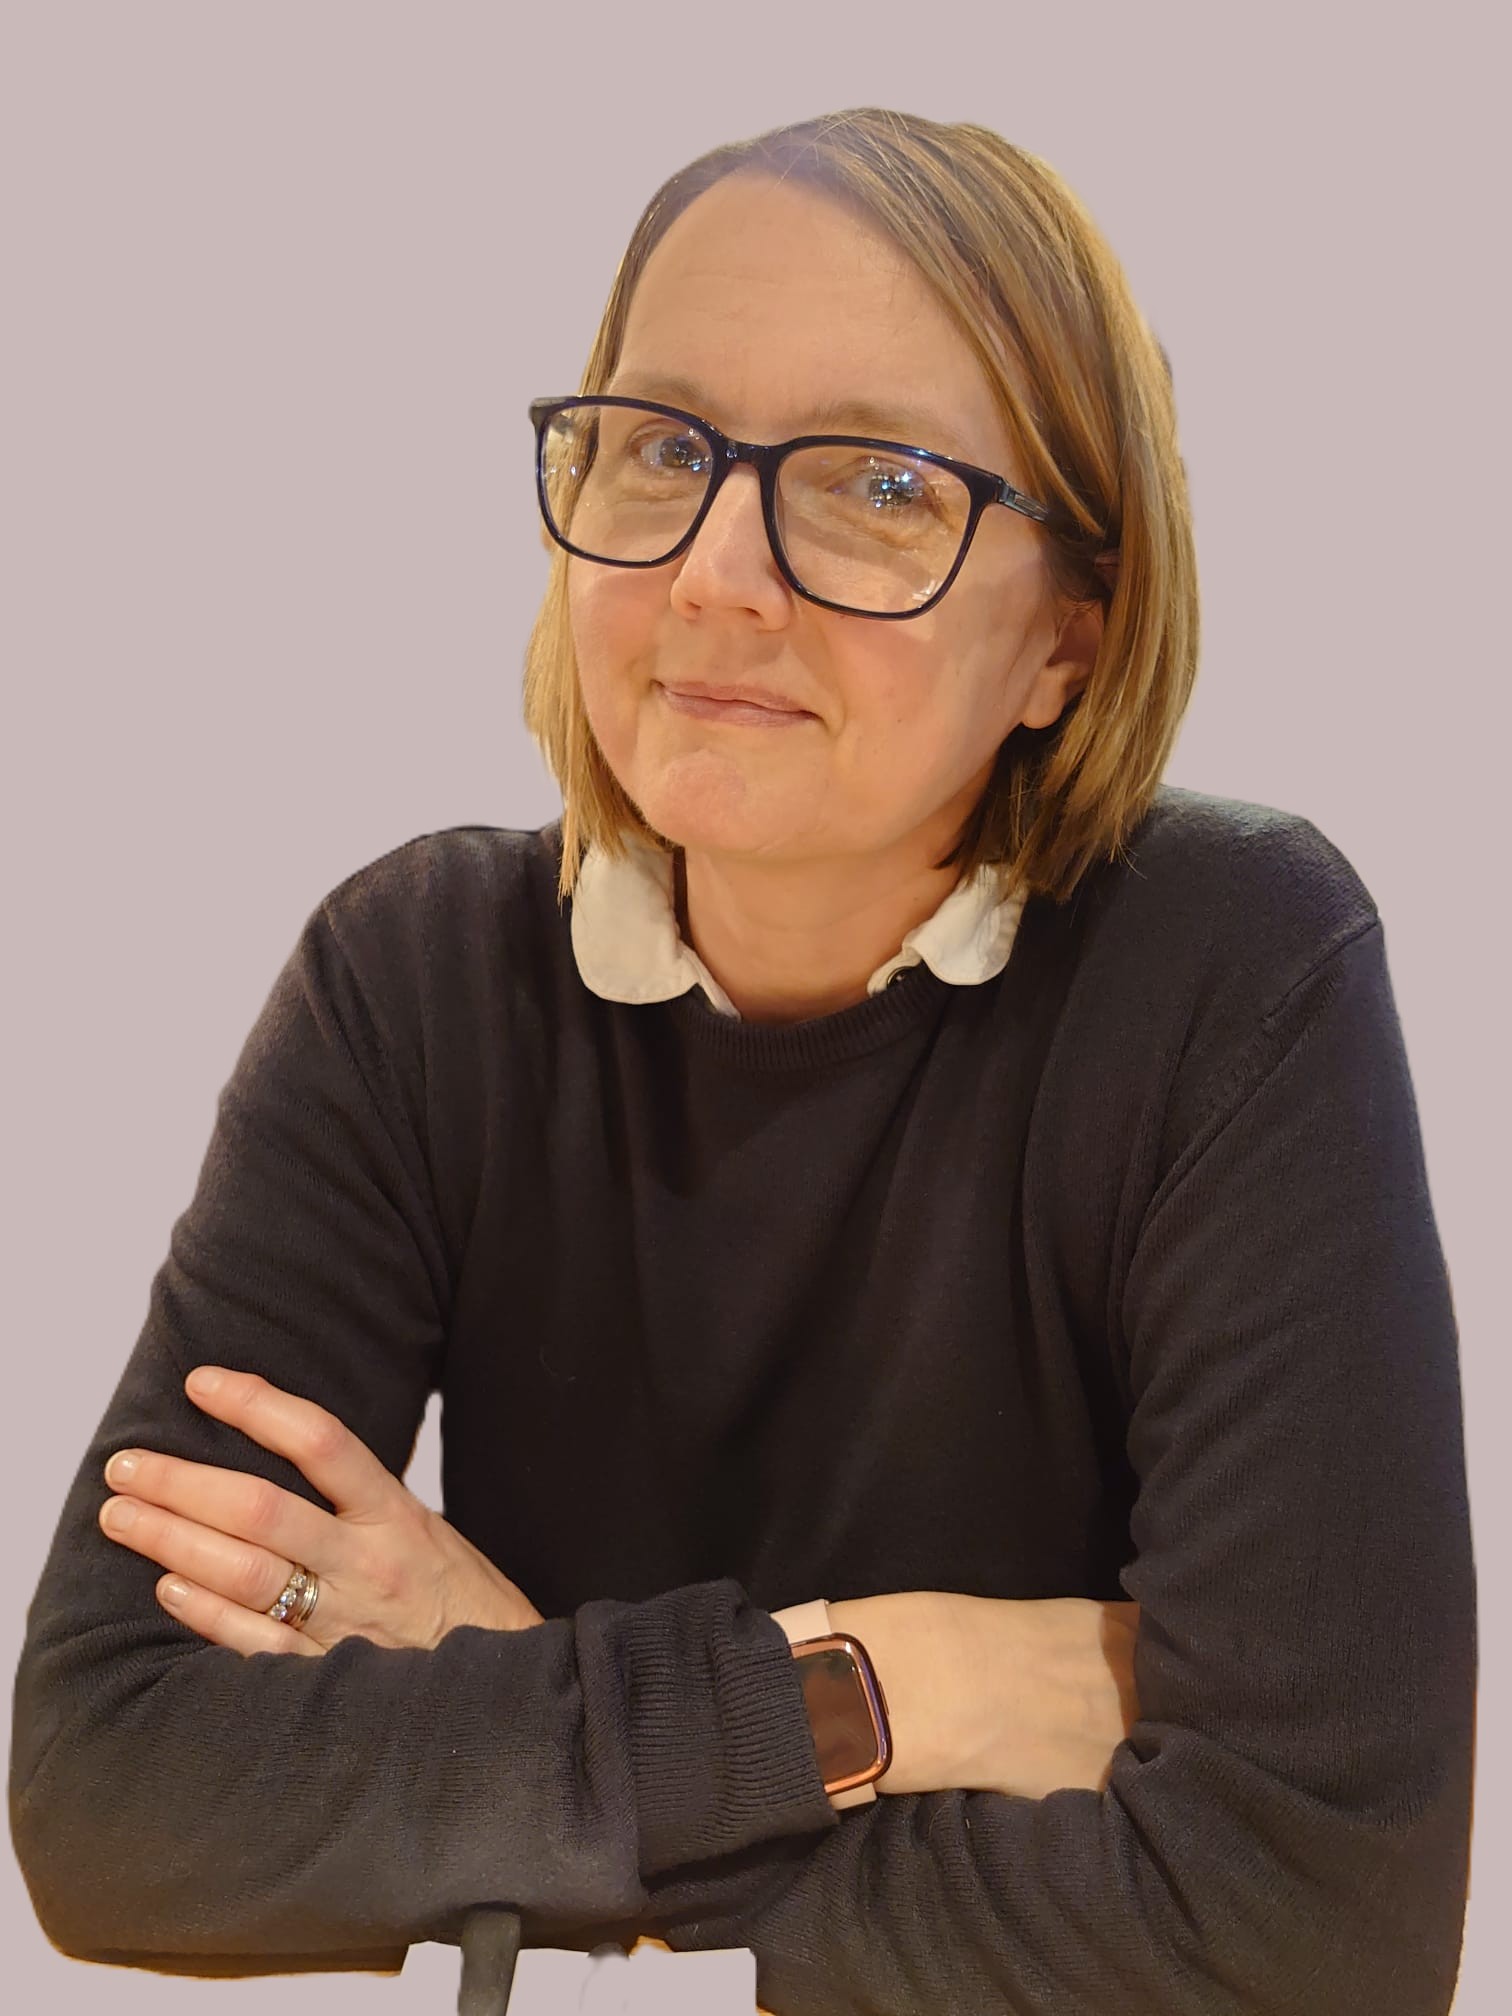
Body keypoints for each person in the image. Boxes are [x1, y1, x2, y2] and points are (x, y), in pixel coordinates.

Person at [8, 105, 1475, 2016]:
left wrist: (517, 1703)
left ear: (1069, 641)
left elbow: (1315, 1931)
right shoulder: (412, 981)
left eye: (877, 484)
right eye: (663, 448)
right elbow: (113, 1798)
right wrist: (891, 1685)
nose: (715, 570)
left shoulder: (1236, 969)